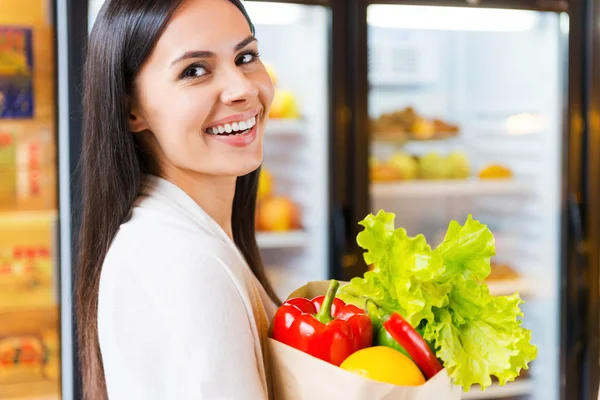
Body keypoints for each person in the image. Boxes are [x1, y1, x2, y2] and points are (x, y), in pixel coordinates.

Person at [75, 0, 281, 399]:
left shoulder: (184, 239)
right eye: (194, 70)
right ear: (131, 109)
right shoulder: (184, 261)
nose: (242, 89)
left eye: (246, 57)